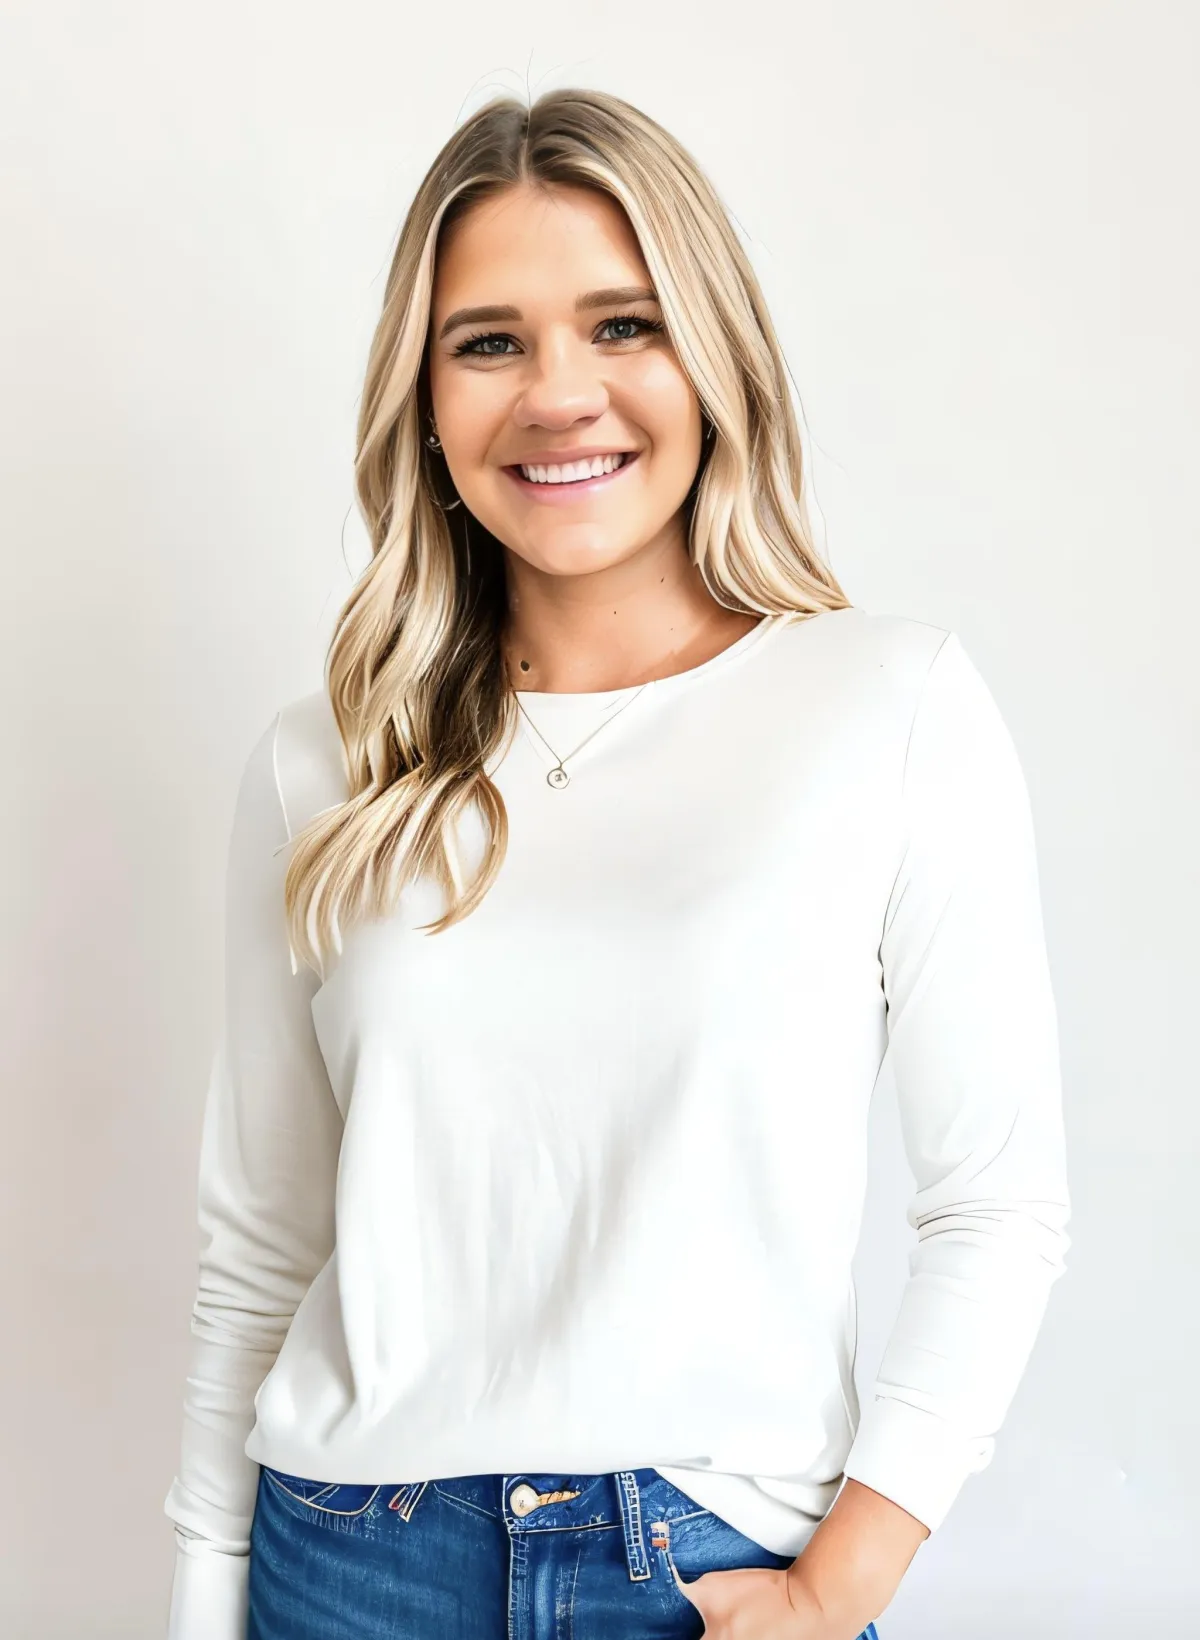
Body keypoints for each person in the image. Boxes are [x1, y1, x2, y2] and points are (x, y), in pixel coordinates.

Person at [162, 87, 1071, 1640]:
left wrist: (836, 1587)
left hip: (709, 1570)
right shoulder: (328, 760)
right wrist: (201, 1594)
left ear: (714, 359)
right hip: (350, 1564)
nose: (559, 394)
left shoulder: (887, 706)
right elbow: (261, 1243)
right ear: (424, 399)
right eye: (489, 342)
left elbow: (998, 1206)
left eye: (624, 325)